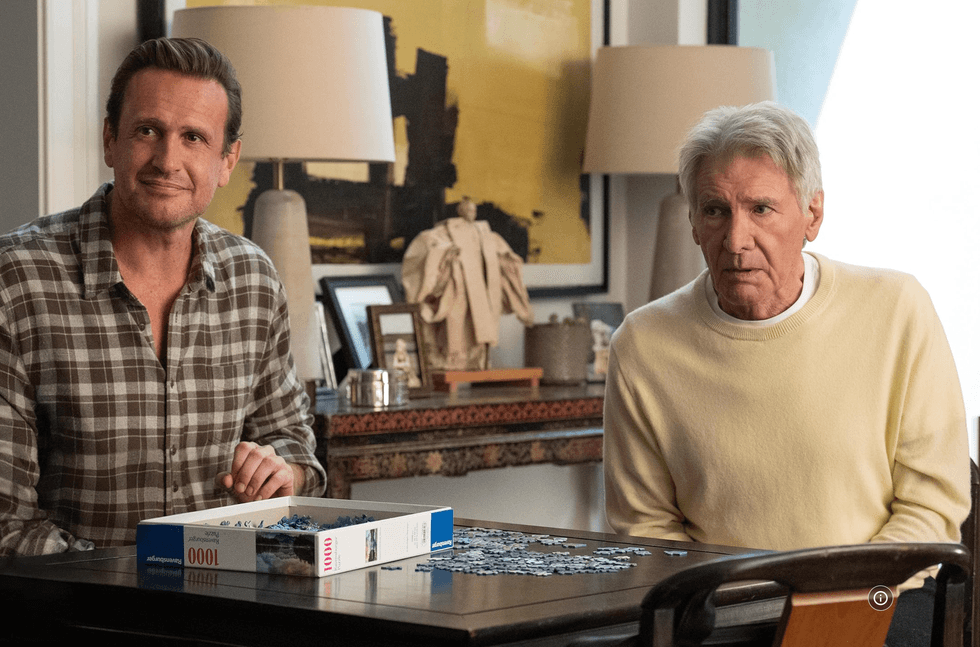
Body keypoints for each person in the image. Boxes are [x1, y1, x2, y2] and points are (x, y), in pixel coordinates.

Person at [602, 101, 970, 644]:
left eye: (761, 209)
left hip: (884, 598)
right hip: (721, 613)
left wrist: (838, 614)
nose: (736, 240)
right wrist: (725, 610)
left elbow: (931, 508)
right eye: (714, 211)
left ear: (813, 215)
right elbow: (646, 529)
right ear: (693, 223)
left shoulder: (897, 309)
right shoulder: (643, 344)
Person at [0, 37, 326, 557]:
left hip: (230, 605)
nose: (167, 160)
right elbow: (6, 524)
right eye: (147, 130)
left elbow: (296, 449)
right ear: (110, 140)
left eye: (194, 137)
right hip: (73, 617)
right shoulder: (16, 280)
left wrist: (279, 473)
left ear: (226, 160)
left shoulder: (254, 281)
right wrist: (152, 583)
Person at [402, 196, 533, 371]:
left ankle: (478, 359)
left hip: (482, 289)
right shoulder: (441, 233)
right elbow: (426, 256)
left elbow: (507, 257)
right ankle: (450, 359)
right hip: (456, 288)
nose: (471, 213)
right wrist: (446, 258)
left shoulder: (487, 235)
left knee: (479, 326)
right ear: (460, 211)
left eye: (473, 210)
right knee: (454, 326)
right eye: (468, 210)